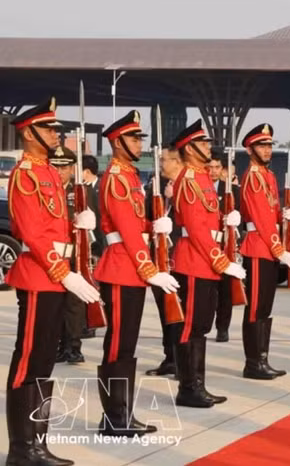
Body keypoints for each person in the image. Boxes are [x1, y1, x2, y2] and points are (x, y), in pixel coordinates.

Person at [5, 97, 100, 466]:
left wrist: (78, 226)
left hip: (56, 274)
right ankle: (22, 449)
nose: (55, 134)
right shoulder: (26, 174)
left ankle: (37, 444)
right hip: (39, 274)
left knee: (44, 361)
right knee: (29, 360)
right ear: (29, 133)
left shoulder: (48, 171)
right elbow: (32, 233)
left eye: (55, 129)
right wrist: (64, 272)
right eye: (47, 128)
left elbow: (53, 226)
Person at [93, 110, 180, 436]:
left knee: (127, 344)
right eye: (133, 138)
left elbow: (135, 223)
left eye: (139, 138)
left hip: (130, 266)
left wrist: (155, 225)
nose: (139, 144)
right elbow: (126, 229)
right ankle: (115, 417)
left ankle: (121, 413)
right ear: (117, 142)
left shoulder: (129, 177)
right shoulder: (116, 177)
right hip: (121, 265)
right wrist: (149, 268)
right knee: (119, 344)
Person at [169, 119, 246, 408]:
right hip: (194, 260)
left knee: (201, 326)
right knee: (190, 326)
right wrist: (221, 261)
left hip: (205, 261)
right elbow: (195, 228)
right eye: (202, 143)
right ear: (189, 149)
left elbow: (207, 221)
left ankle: (198, 384)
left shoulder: (202, 177)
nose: (208, 146)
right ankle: (188, 388)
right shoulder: (190, 179)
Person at [238, 123, 290, 379]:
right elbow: (261, 219)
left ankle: (262, 359)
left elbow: (272, 213)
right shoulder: (253, 177)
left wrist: (288, 218)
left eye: (268, 145)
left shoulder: (268, 176)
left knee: (265, 307)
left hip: (269, 246)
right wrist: (279, 249)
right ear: (250, 149)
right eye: (261, 146)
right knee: (255, 307)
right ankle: (253, 363)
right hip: (258, 246)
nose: (267, 150)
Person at [49, 144, 93, 365]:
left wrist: (96, 251)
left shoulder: (82, 192)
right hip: (53, 255)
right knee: (54, 303)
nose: (60, 172)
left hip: (76, 253)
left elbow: (96, 224)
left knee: (75, 303)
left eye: (64, 168)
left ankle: (73, 346)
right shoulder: (46, 190)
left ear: (72, 168)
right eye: (55, 167)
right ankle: (58, 345)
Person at [144, 146, 184, 377]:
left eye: (165, 160)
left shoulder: (187, 184)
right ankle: (170, 357)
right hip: (159, 258)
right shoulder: (157, 184)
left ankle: (181, 360)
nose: (161, 164)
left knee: (179, 312)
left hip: (180, 256)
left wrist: (174, 197)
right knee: (165, 310)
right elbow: (148, 215)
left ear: (177, 162)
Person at [208, 146, 241, 343]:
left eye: (217, 167)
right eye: (210, 167)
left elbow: (243, 218)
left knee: (226, 290)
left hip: (225, 246)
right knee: (208, 291)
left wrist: (237, 219)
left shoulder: (232, 190)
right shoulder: (198, 188)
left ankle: (223, 327)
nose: (213, 171)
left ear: (223, 169)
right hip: (206, 246)